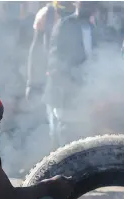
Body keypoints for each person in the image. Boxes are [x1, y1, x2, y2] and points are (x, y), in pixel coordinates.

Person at [43, 1, 98, 150]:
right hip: (64, 95)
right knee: (64, 142)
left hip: (84, 94)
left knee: (81, 141)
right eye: (84, 2)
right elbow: (55, 62)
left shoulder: (93, 28)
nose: (88, 5)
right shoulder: (64, 26)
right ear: (75, 3)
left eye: (92, 3)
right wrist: (69, 88)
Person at [25, 1, 75, 102]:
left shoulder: (85, 13)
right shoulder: (47, 14)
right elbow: (36, 50)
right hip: (49, 77)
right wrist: (32, 83)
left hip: (74, 79)